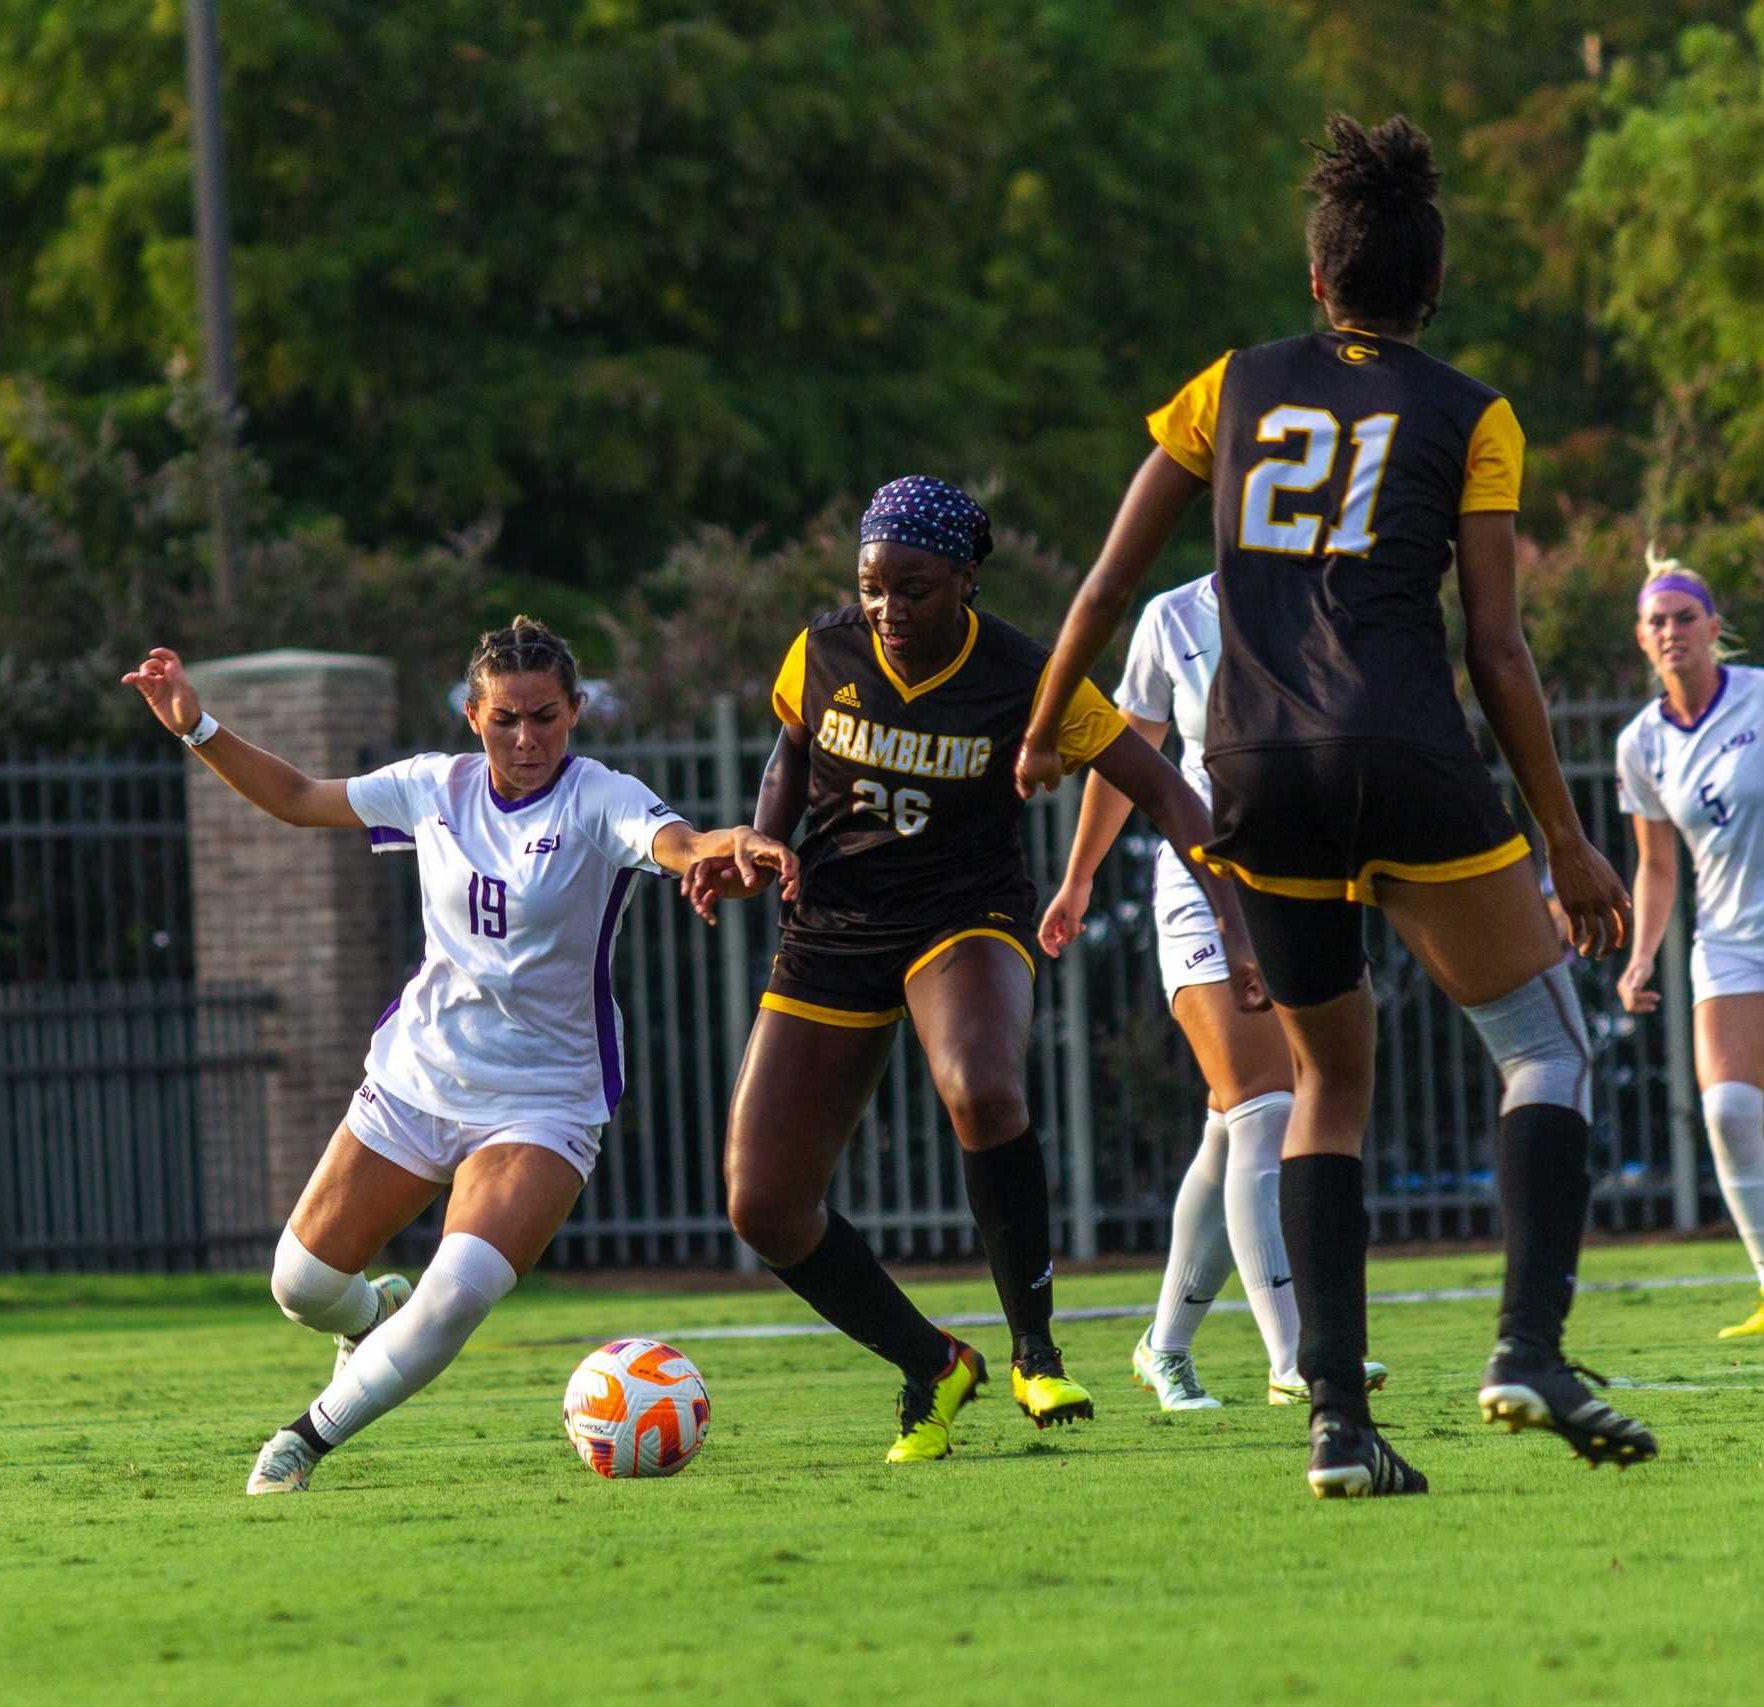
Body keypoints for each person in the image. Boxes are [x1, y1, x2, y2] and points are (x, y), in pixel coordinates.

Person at [1015, 114, 1656, 1497]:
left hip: (1252, 769)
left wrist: (1041, 726)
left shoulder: (1228, 385)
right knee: (1543, 1043)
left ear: (1320, 281)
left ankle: (1338, 1429)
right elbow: (1495, 644)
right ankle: (1529, 1346)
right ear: (1430, 293)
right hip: (1404, 751)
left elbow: (1105, 586)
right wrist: (1566, 836)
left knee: (1325, 1083)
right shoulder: (1471, 411)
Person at [121, 618, 798, 1496]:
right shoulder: (431, 787)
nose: (528, 739)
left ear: (576, 712)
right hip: (418, 1075)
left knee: (458, 1289)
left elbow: (676, 842)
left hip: (544, 1100)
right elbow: (296, 797)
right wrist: (195, 728)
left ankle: (301, 1442)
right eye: (507, 719)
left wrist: (723, 843)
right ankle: (373, 1316)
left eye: (547, 717)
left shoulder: (599, 795)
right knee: (301, 1283)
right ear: (473, 715)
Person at [684, 475, 1262, 1465]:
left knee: (980, 1085)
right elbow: (790, 746)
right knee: (763, 1203)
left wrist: (1239, 929)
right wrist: (761, 844)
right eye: (873, 587)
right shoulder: (822, 652)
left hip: (963, 917)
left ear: (965, 580)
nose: (888, 610)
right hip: (832, 927)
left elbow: (1166, 793)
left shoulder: (1028, 678)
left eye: (912, 588)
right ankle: (931, 1363)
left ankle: (1035, 1348)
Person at [1040, 573, 1384, 1408]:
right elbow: (1128, 757)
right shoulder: (1172, 616)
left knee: (1233, 1126)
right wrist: (1080, 877)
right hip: (1201, 881)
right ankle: (1294, 1355)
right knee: (1264, 1103)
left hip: (1307, 881)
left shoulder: (1340, 599)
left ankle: (1164, 1345)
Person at [1613, 552, 1764, 1337]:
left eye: (1684, 617)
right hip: (1730, 942)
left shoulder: (1760, 698)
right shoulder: (1641, 743)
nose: (1671, 631)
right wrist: (1640, 953)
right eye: (1656, 622)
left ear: (1713, 626)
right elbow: (1657, 864)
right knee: (1732, 1110)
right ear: (1643, 640)